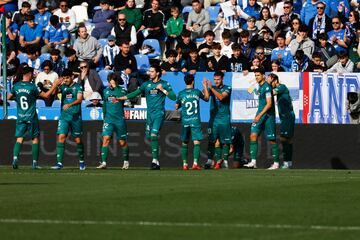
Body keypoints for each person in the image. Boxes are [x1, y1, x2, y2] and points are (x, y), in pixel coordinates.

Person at [117, 65, 176, 170]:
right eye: (149, 71)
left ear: (157, 73)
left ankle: (154, 160)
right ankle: (156, 162)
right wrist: (123, 98)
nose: (150, 73)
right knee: (150, 137)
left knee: (153, 135)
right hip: (149, 115)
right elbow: (136, 93)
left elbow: (173, 97)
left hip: (159, 114)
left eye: (152, 71)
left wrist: (163, 90)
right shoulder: (146, 84)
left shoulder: (164, 84)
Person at [8, 66, 61, 169]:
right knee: (35, 139)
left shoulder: (16, 86)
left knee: (20, 138)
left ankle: (15, 158)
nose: (33, 75)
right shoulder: (33, 87)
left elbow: (8, 97)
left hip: (20, 116)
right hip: (31, 116)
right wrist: (55, 85)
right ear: (29, 74)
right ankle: (35, 163)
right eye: (32, 74)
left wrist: (18, 97)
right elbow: (45, 96)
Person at [244, 67, 280, 169]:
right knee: (253, 135)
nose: (256, 77)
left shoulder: (267, 87)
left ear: (263, 75)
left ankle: (276, 163)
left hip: (268, 116)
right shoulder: (260, 87)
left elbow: (269, 104)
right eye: (255, 75)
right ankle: (253, 162)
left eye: (258, 75)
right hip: (260, 115)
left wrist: (259, 116)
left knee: (272, 140)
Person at [51, 69, 86, 170]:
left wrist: (69, 104)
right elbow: (54, 93)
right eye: (64, 78)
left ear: (71, 77)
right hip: (64, 117)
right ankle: (59, 163)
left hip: (75, 117)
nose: (65, 80)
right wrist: (56, 84)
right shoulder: (63, 87)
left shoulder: (78, 86)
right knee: (61, 137)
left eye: (67, 78)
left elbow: (79, 99)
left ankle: (82, 161)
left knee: (78, 140)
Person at [176, 74, 209, 170]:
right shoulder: (197, 92)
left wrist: (181, 104)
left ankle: (185, 164)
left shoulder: (181, 93)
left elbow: (177, 106)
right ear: (193, 81)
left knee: (184, 143)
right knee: (196, 142)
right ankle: (195, 164)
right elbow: (207, 98)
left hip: (185, 121)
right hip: (195, 120)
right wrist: (205, 87)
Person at [97, 73, 130, 169]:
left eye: (112, 80)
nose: (110, 83)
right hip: (109, 119)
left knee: (122, 142)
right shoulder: (105, 91)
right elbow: (104, 104)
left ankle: (126, 161)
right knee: (106, 139)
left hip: (119, 119)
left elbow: (122, 96)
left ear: (115, 81)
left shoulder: (122, 90)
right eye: (109, 80)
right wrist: (104, 117)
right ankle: (103, 162)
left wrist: (115, 87)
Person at [204, 71, 232, 170]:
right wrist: (205, 86)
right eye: (214, 79)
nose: (216, 81)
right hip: (214, 119)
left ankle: (225, 161)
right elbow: (206, 98)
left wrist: (211, 88)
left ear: (222, 79)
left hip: (224, 118)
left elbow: (221, 97)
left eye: (218, 79)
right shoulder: (212, 88)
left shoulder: (227, 88)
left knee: (225, 142)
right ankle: (213, 161)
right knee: (213, 140)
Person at [267, 73, 295, 169]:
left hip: (288, 116)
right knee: (288, 140)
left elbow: (272, 92)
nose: (270, 84)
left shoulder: (282, 87)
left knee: (284, 139)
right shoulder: (279, 88)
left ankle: (287, 162)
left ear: (275, 80)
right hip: (285, 117)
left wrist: (264, 87)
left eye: (270, 82)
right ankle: (289, 162)